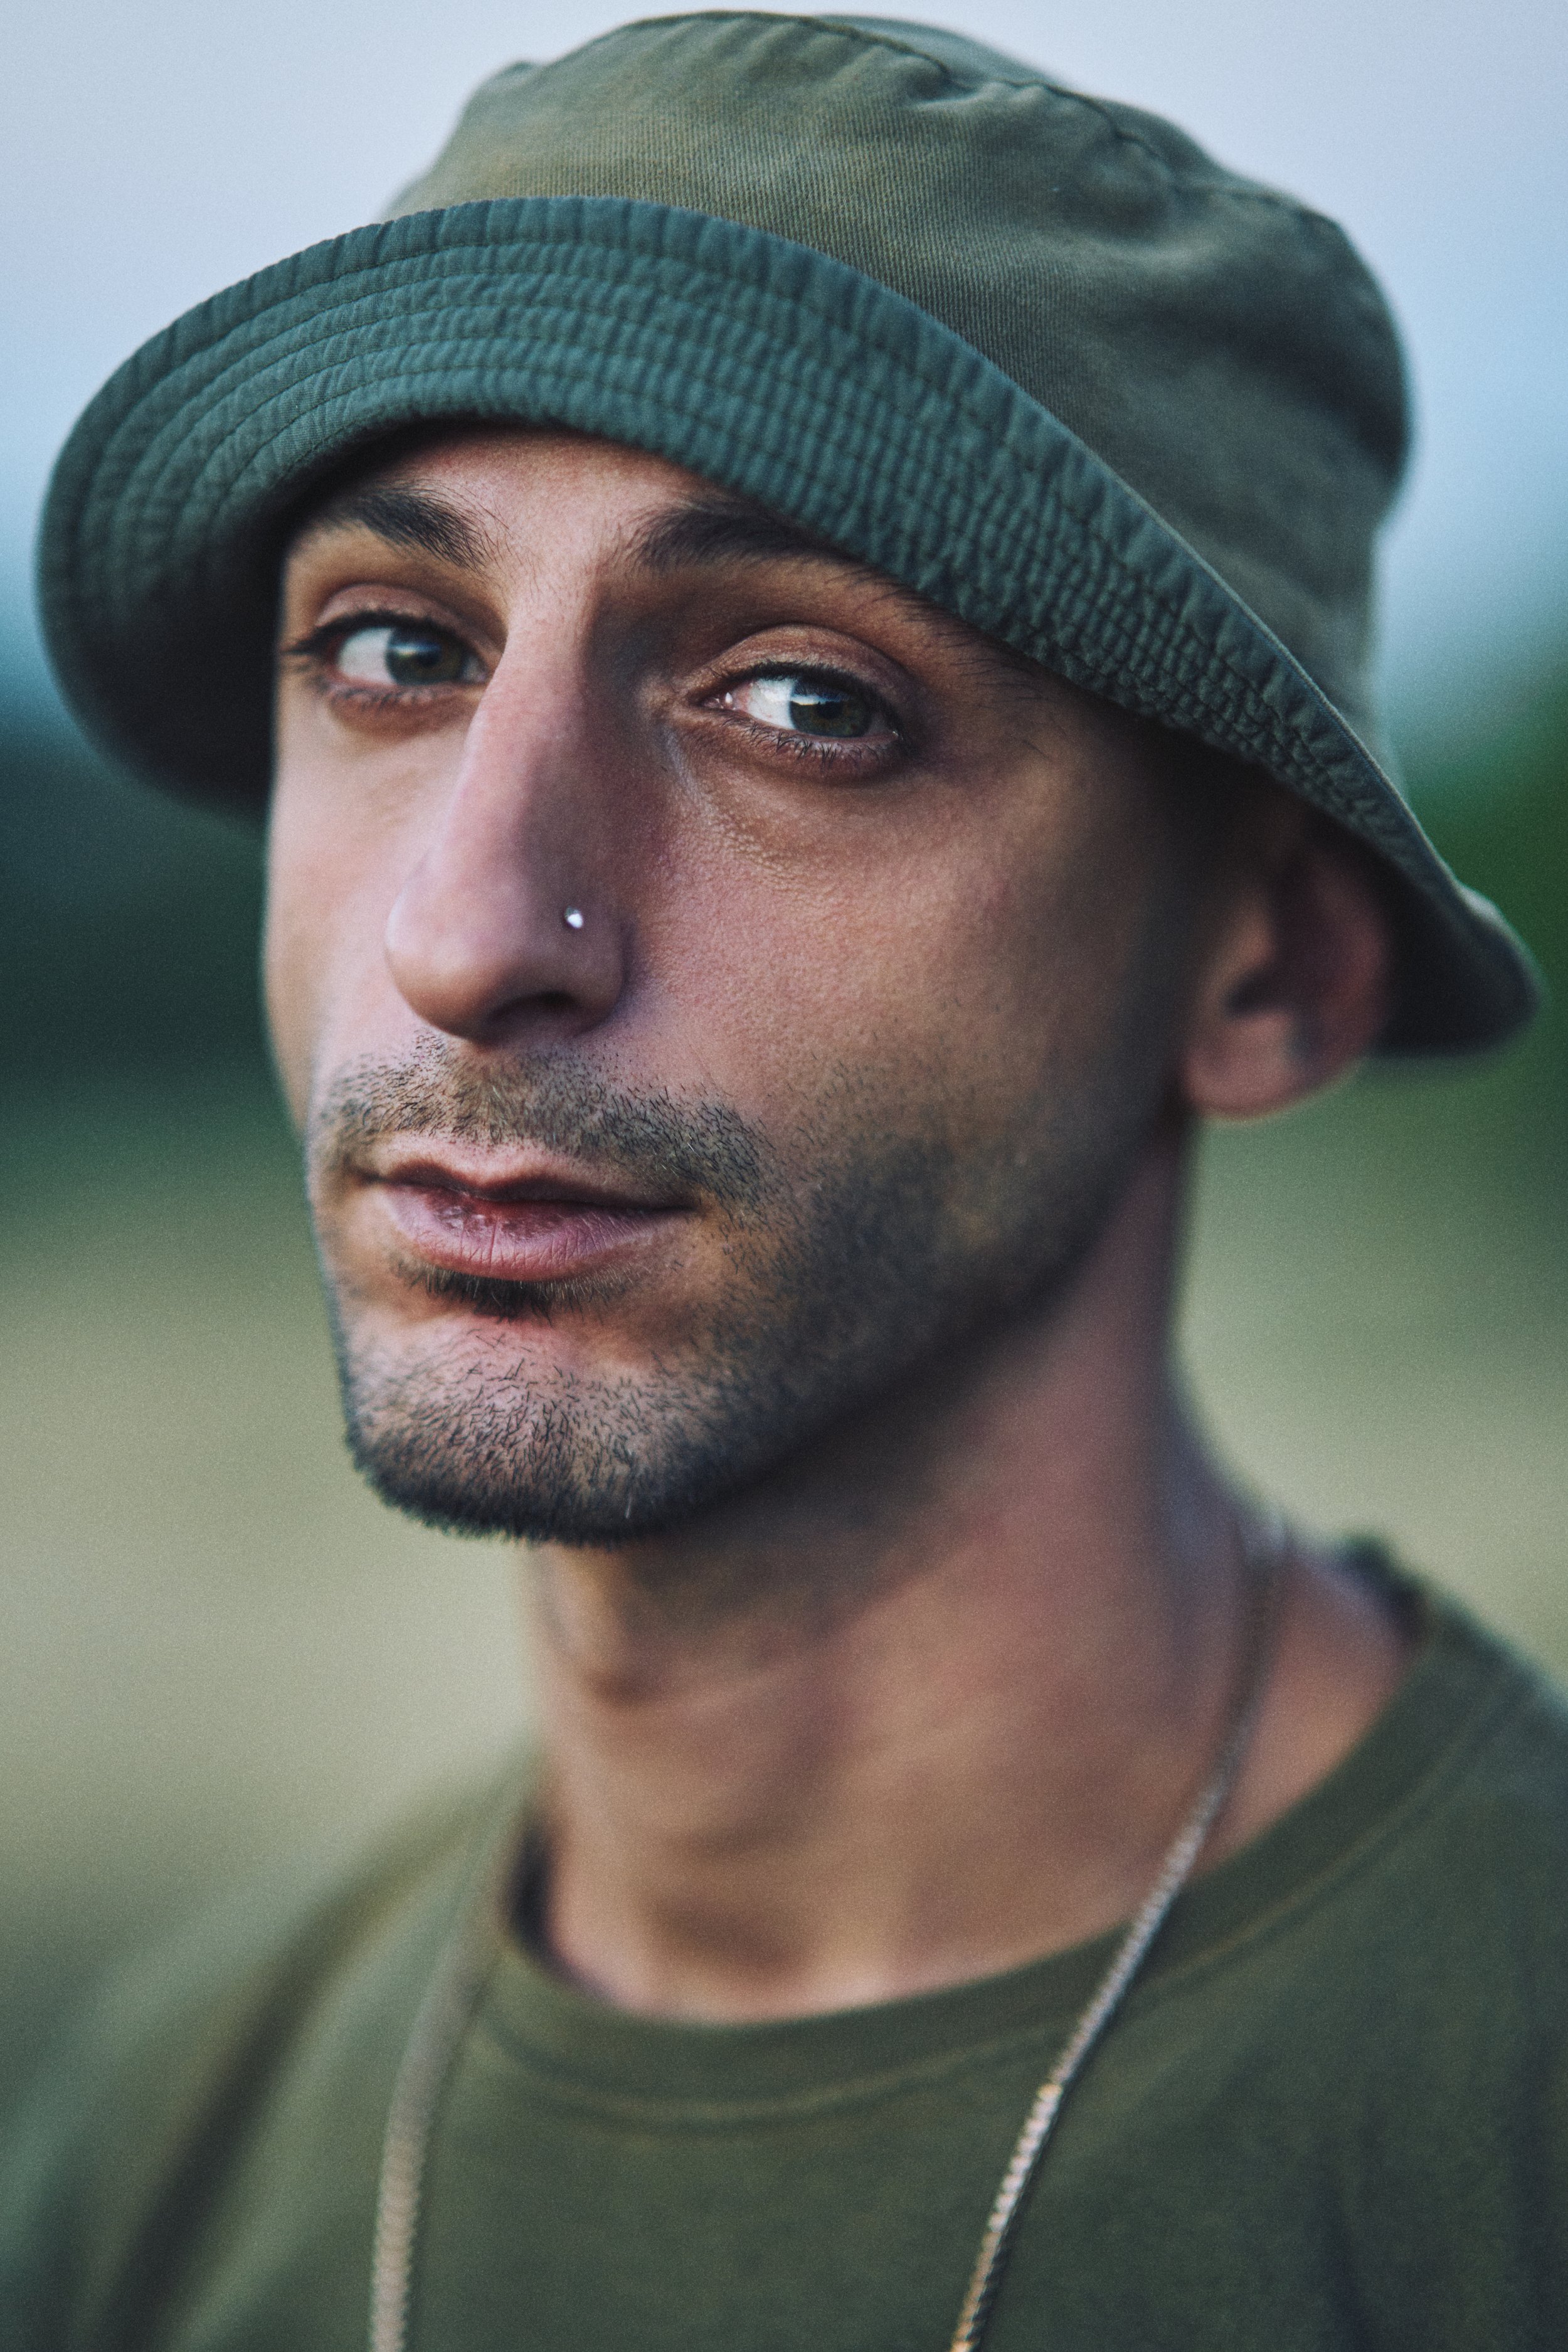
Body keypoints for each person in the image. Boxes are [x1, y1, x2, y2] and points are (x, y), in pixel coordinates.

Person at [4, 13, 1563, 2349]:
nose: (465, 931)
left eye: (807, 700)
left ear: (1261, 969)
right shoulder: (162, 2145)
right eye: (398, 650)